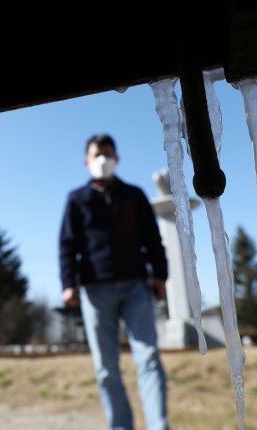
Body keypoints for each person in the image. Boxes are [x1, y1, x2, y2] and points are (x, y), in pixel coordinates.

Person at [59, 134, 169, 430]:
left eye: (108, 154)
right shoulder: (77, 200)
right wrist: (68, 283)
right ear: (86, 161)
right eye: (97, 155)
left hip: (136, 286)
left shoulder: (134, 195)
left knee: (148, 358)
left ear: (117, 158)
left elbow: (153, 240)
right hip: (96, 290)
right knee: (106, 368)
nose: (102, 159)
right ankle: (121, 426)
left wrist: (160, 275)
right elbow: (68, 245)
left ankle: (159, 425)